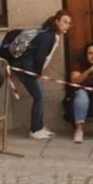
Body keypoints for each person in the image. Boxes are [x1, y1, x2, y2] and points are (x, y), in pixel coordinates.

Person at [12, 10, 72, 140]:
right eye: (64, 22)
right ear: (57, 22)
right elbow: (40, 57)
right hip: (24, 68)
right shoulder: (49, 36)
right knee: (40, 96)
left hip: (26, 67)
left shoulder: (52, 35)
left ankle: (39, 126)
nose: (67, 25)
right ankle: (35, 130)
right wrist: (37, 73)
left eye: (69, 23)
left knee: (40, 96)